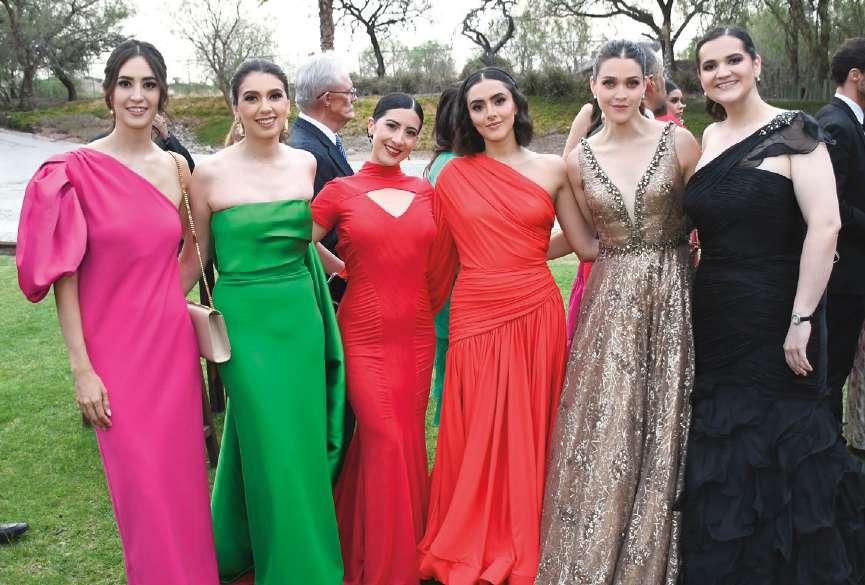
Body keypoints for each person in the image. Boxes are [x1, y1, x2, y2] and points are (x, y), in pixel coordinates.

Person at [16, 39, 218, 584]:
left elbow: (198, 246)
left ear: (162, 93)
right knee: (142, 491)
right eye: (126, 84)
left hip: (170, 345)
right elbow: (65, 278)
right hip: (112, 354)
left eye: (149, 84)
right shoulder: (73, 170)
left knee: (182, 483)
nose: (137, 96)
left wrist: (166, 296)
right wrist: (81, 368)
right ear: (108, 93)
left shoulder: (177, 167)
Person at [679, 26, 865, 584]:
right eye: (709, 65)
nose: (722, 72)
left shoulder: (797, 131)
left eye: (733, 59)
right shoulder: (709, 137)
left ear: (757, 64)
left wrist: (802, 319)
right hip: (718, 313)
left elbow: (825, 225)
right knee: (727, 437)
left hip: (781, 311)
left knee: (787, 438)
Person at [417, 67, 598, 585]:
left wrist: (526, 255)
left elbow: (584, 246)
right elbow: (439, 256)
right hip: (476, 309)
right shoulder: (452, 175)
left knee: (531, 423)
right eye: (478, 106)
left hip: (535, 308)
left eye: (498, 101)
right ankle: (470, 532)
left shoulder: (553, 169)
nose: (490, 113)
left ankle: (524, 529)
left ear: (515, 103)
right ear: (468, 116)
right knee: (477, 423)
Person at [535, 39, 701, 585]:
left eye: (632, 82)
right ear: (593, 87)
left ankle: (655, 556)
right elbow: (583, 244)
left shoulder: (680, 143)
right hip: (609, 304)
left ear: (647, 85)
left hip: (676, 296)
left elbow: (714, 218)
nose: (621, 93)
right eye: (610, 83)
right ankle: (593, 552)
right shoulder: (577, 160)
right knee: (608, 421)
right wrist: (506, 255)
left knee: (667, 419)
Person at [185, 59, 347, 585]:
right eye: (251, 97)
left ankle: (283, 556)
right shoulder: (208, 174)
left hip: (300, 318)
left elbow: (304, 241)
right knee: (269, 442)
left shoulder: (305, 163)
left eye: (274, 95)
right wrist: (150, 309)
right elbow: (194, 258)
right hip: (245, 326)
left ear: (288, 102)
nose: (264, 107)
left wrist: (349, 269)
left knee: (298, 444)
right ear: (235, 105)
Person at [311, 92, 435, 585]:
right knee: (384, 437)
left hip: (417, 334)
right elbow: (300, 240)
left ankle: (385, 541)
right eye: (391, 126)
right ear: (371, 124)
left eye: (410, 132)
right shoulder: (339, 190)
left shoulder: (427, 192)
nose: (399, 139)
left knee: (405, 439)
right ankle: (389, 567)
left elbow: (437, 259)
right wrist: (341, 268)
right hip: (363, 334)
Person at [816, 38, 865, 426]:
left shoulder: (850, 121)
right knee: (831, 374)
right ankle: (825, 448)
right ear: (856, 76)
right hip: (841, 275)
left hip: (851, 272)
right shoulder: (836, 124)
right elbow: (830, 205)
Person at [289, 53, 358, 296]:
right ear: (328, 98)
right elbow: (306, 234)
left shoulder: (320, 141)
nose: (354, 98)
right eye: (349, 92)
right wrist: (347, 275)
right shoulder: (306, 152)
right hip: (329, 288)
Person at [425, 86, 460, 423]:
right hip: (455, 284)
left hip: (445, 286)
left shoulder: (440, 162)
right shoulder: (452, 165)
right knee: (454, 372)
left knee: (447, 365)